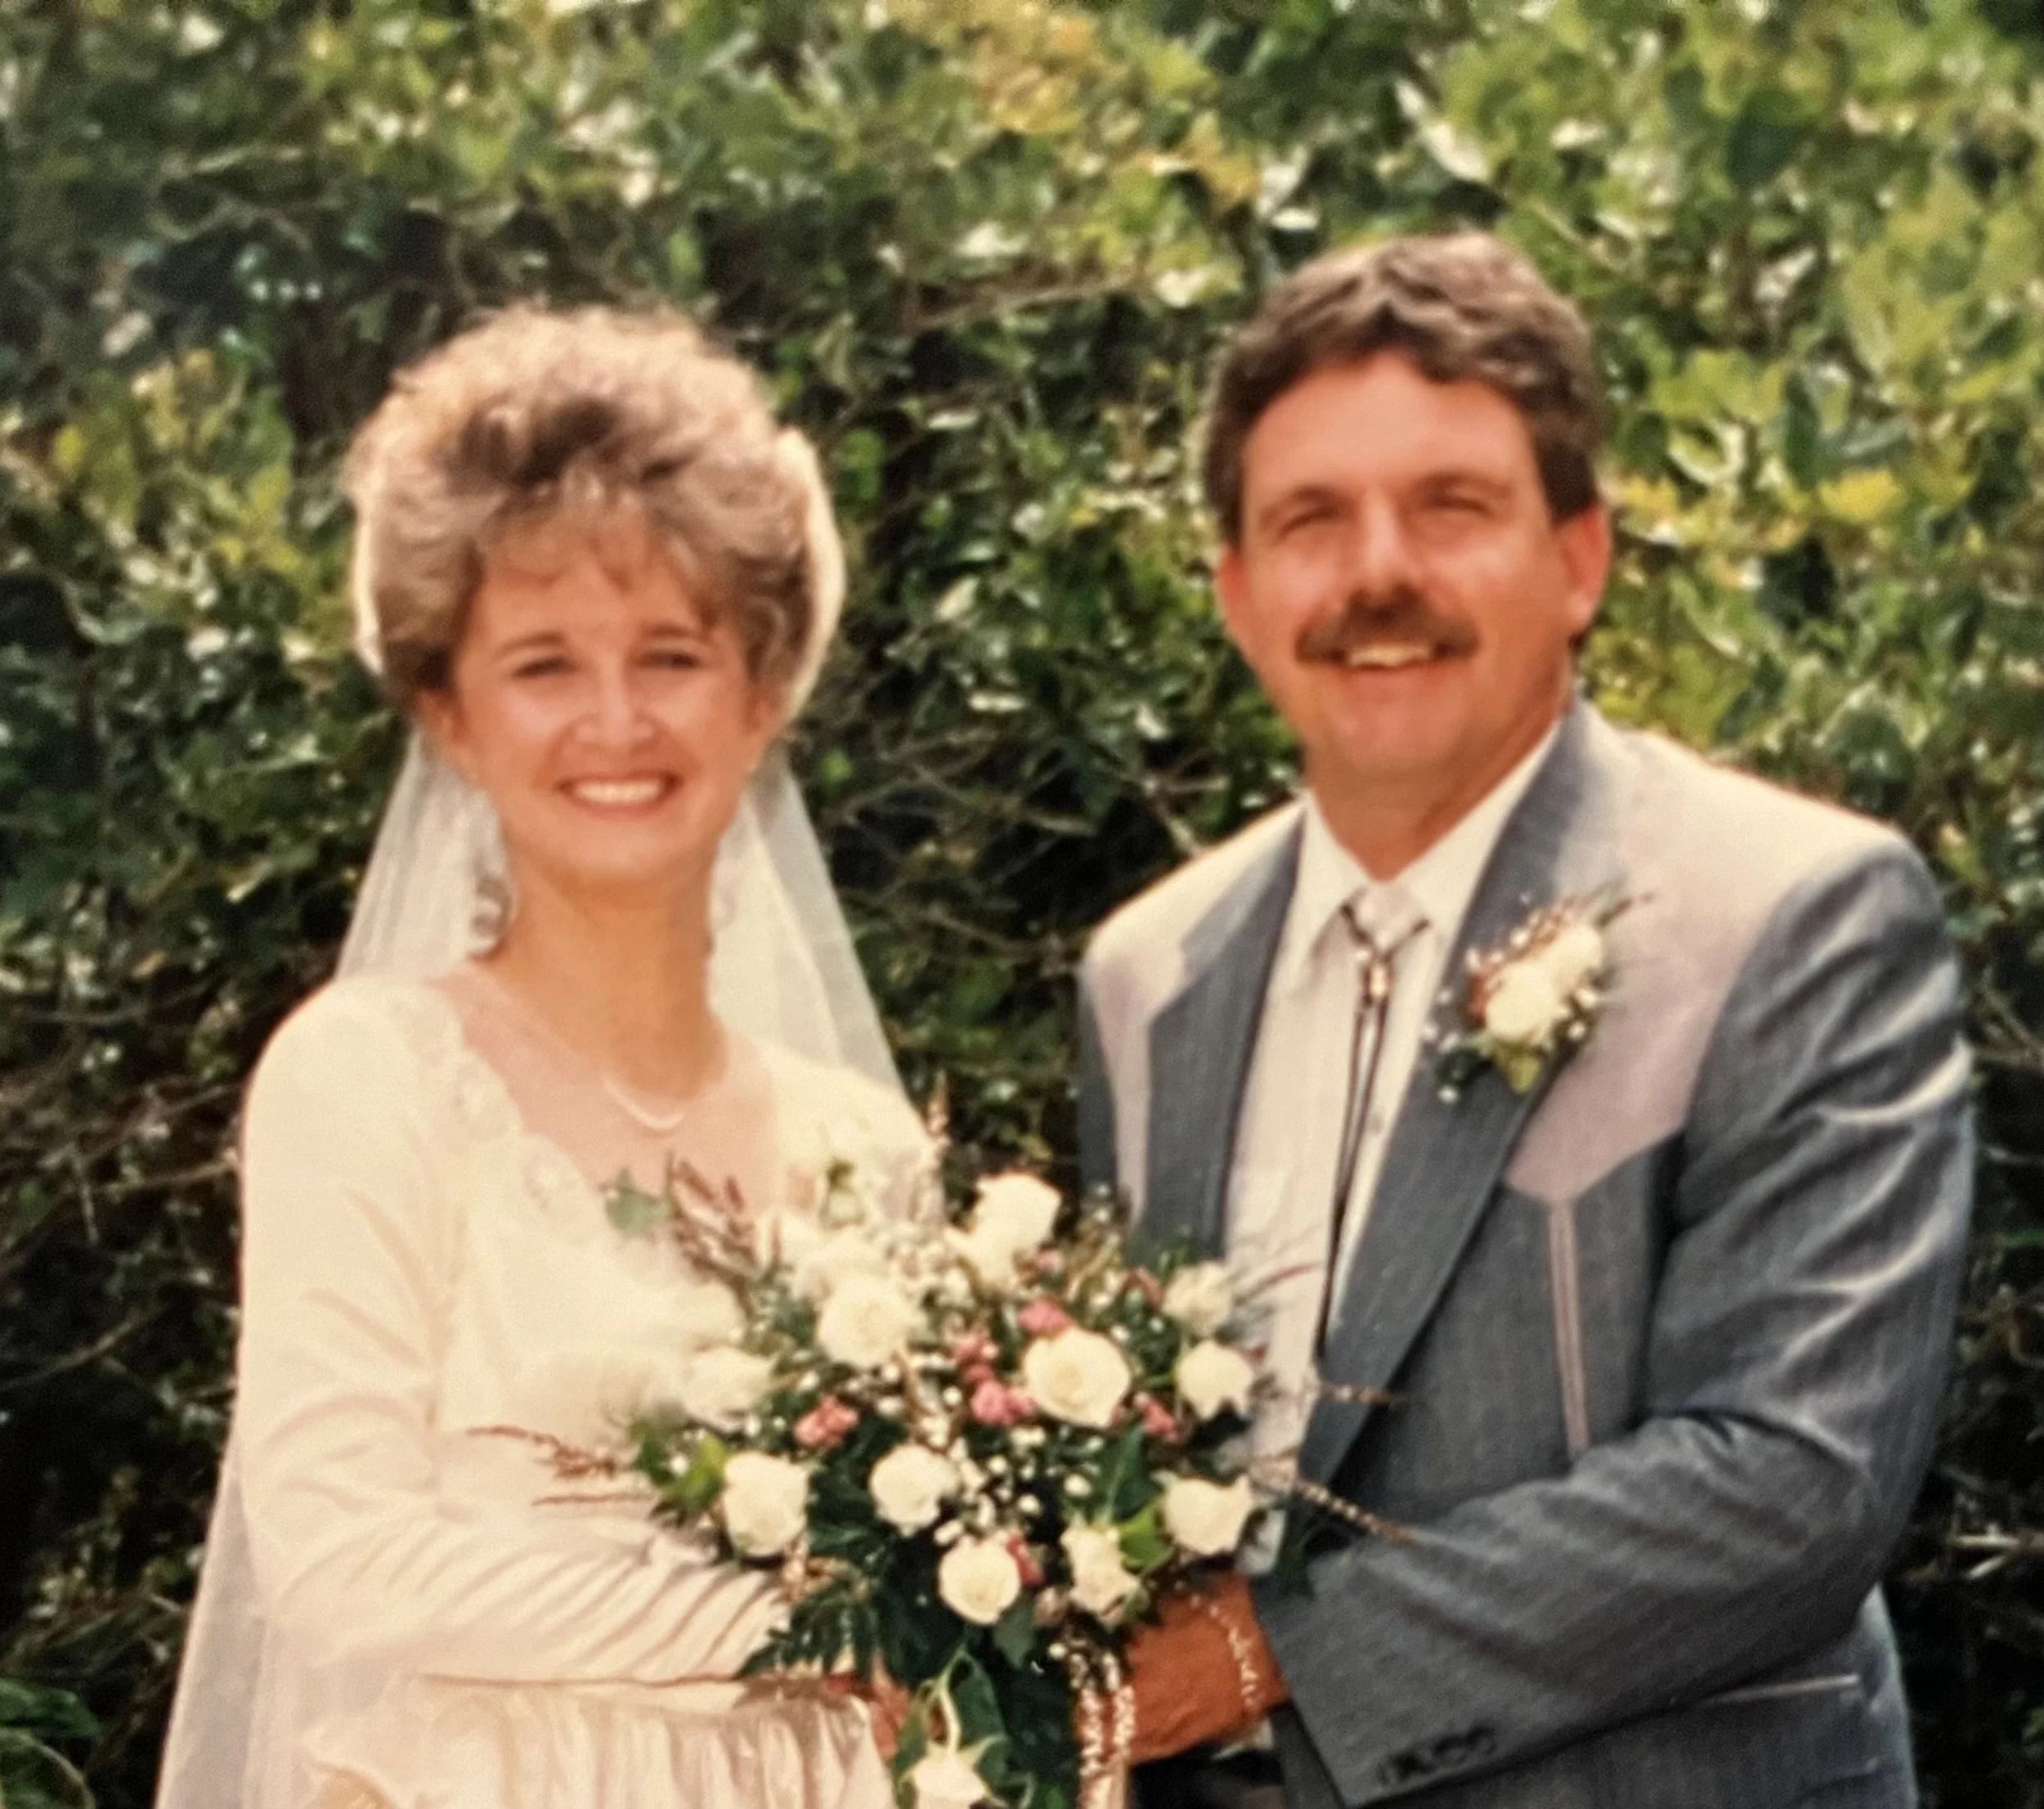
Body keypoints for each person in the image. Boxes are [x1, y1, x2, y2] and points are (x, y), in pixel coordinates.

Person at [1078, 233, 1972, 1808]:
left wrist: (1259, 1662)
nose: (1378, 573)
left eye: (1451, 506)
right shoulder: (1145, 976)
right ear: (1236, 594)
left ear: (1579, 560)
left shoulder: (1793, 912)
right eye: (1310, 520)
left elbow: (1791, 1484)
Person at [155, 308, 926, 1809]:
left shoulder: (869, 1151)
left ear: (762, 695)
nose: (616, 721)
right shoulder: (370, 1078)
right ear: (448, 714)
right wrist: (787, 1626)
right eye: (544, 665)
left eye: (672, 655)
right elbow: (340, 1559)